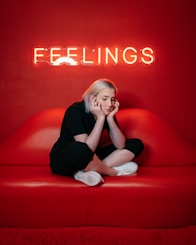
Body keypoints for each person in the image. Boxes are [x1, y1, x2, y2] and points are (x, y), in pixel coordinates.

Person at [50, 78, 144, 186]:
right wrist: (100, 119)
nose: (109, 104)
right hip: (67, 157)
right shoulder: (75, 111)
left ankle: (89, 170)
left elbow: (120, 145)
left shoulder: (106, 111)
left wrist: (110, 118)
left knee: (136, 144)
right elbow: (87, 148)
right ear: (92, 98)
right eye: (105, 99)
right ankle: (112, 172)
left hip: (91, 156)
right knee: (79, 148)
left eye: (112, 99)